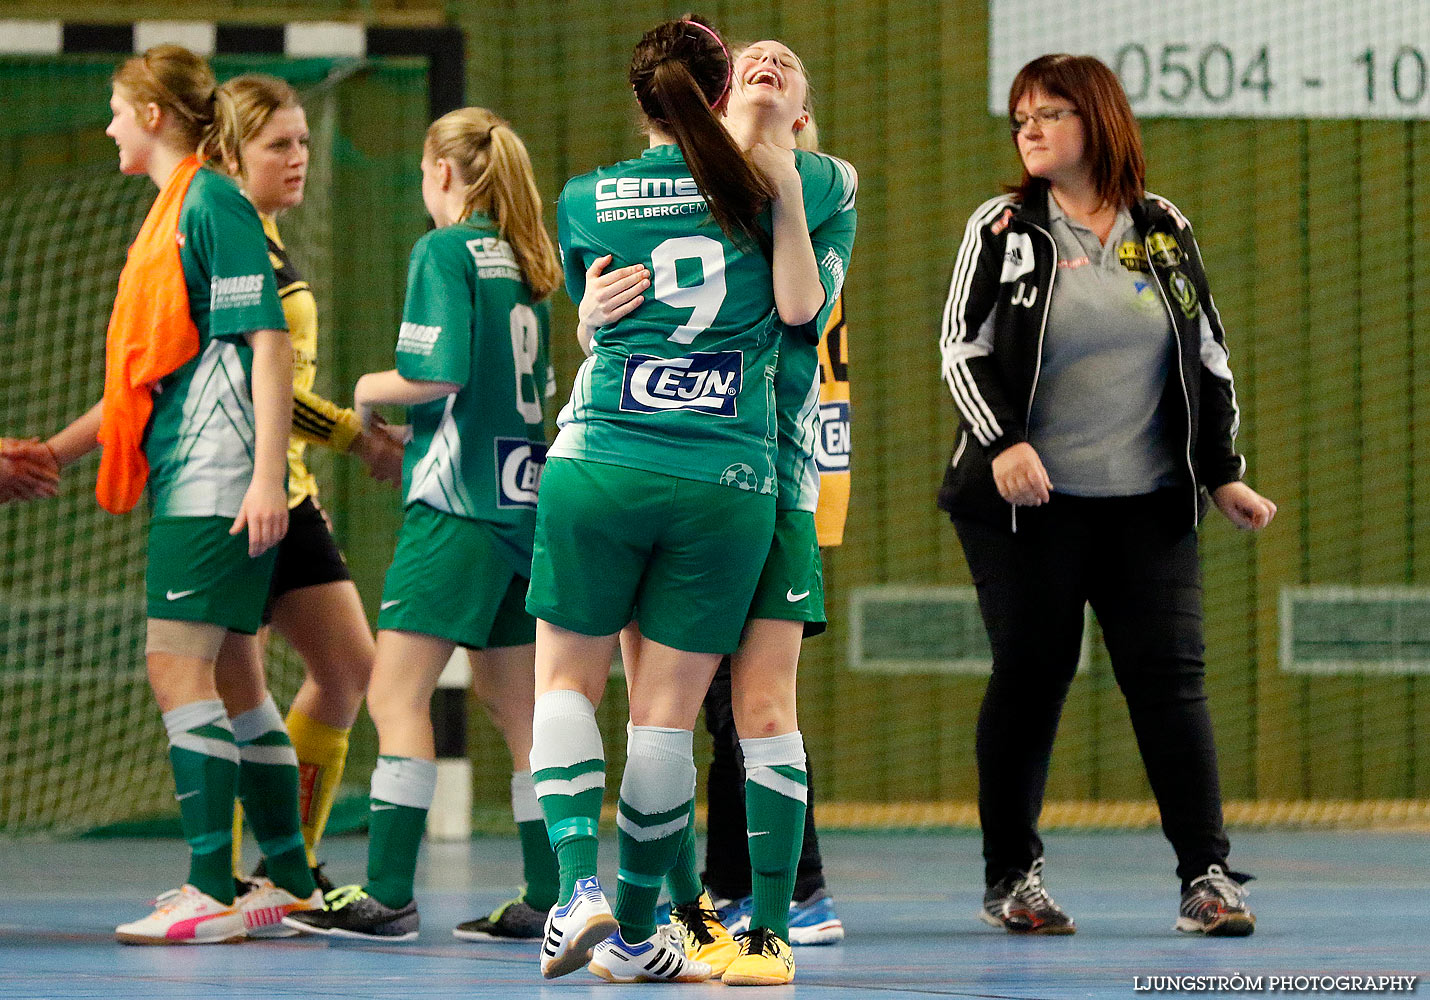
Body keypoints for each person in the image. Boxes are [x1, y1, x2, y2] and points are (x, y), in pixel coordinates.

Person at [527, 15, 854, 985]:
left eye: (786, 67)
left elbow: (800, 308)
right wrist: (588, 315)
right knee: (658, 709)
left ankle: (761, 926)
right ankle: (656, 925)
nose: (768, 64)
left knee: (745, 705)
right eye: (752, 60)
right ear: (714, 95)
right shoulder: (752, 192)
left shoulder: (808, 184)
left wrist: (778, 169)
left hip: (759, 476)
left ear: (805, 116)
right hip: (719, 478)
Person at [936, 53, 1277, 938]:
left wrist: (1224, 471)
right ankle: (1014, 878)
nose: (1032, 130)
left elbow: (1208, 354)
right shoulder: (1005, 224)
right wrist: (1005, 443)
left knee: (1171, 682)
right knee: (1033, 674)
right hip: (1026, 509)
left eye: (1051, 113)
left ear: (1099, 120)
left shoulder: (1162, 225)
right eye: (1021, 119)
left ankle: (1208, 878)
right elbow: (961, 346)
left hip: (1149, 505)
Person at [17, 43, 320, 943]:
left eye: (117, 108)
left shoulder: (211, 202)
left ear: (152, 115)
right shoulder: (178, 210)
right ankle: (289, 878)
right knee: (233, 674)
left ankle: (210, 888)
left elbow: (266, 343)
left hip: (217, 472)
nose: (109, 124)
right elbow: (148, 380)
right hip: (201, 462)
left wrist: (267, 476)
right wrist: (54, 454)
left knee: (173, 663)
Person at [283, 105, 561, 942]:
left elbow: (432, 376)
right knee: (524, 713)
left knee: (395, 694)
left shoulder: (443, 250)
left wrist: (367, 390)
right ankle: (551, 897)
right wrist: (429, 429)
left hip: (456, 510)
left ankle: (391, 894)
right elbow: (492, 393)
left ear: (443, 173)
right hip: (522, 503)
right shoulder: (527, 260)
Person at [202, 72, 405, 922]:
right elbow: (257, 382)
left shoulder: (269, 241)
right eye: (277, 145)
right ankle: (243, 871)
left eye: (303, 143)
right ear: (229, 153)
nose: (297, 159)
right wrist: (359, 434)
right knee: (222, 689)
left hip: (289, 491)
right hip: (232, 495)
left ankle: (292, 860)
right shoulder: (226, 242)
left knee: (349, 670)